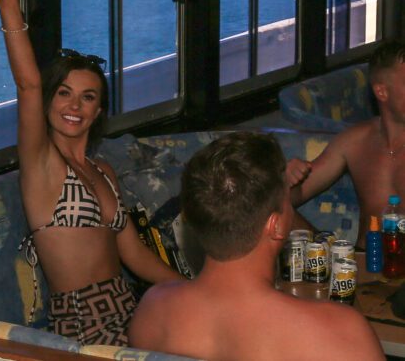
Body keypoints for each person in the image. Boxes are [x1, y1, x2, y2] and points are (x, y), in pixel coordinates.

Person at [0, 0, 182, 346]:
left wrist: (197, 290)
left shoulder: (102, 170)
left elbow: (136, 257)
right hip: (84, 326)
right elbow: (29, 85)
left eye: (88, 97)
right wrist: (7, 2)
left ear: (98, 111)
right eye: (64, 93)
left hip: (131, 308)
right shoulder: (43, 165)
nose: (74, 105)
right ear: (50, 102)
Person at [129, 132, 384, 361]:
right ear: (276, 225)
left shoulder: (153, 309)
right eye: (287, 203)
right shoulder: (339, 331)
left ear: (194, 221)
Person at [288, 40, 405, 248]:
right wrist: (287, 181)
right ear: (382, 92)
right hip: (363, 263)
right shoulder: (354, 141)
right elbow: (289, 199)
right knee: (275, 206)